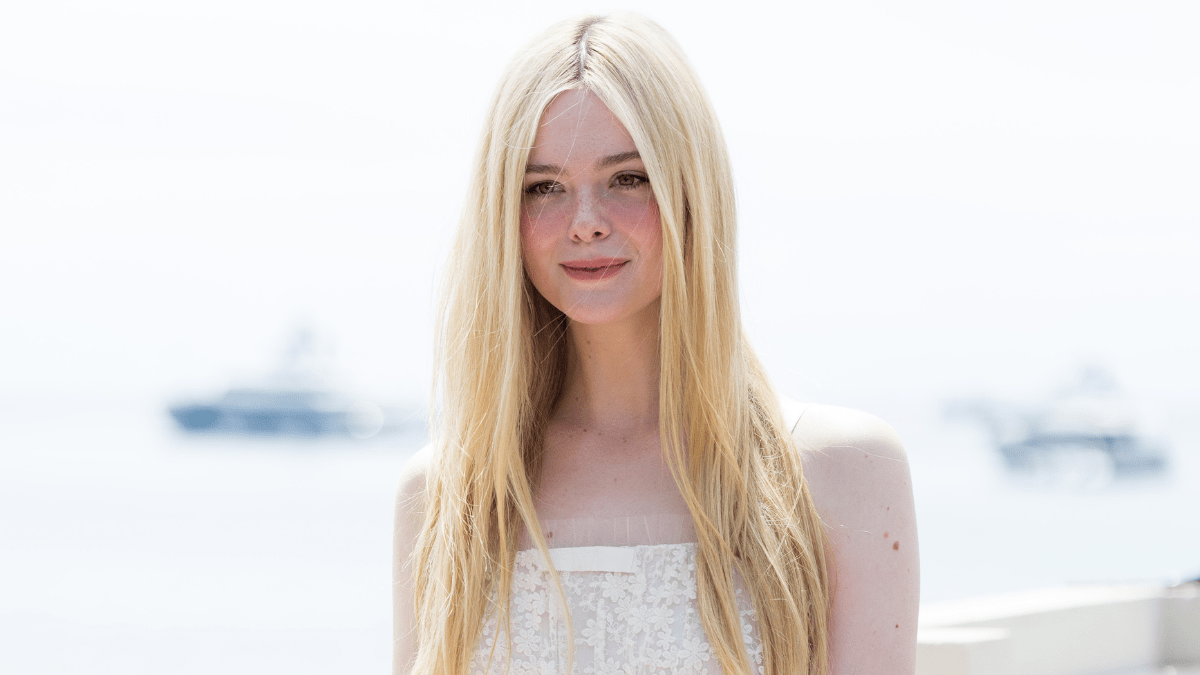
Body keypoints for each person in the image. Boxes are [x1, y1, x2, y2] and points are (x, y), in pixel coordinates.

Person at [393, 13, 918, 675]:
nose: (585, 222)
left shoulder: (844, 472)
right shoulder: (449, 492)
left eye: (627, 178)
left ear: (691, 190)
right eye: (544, 187)